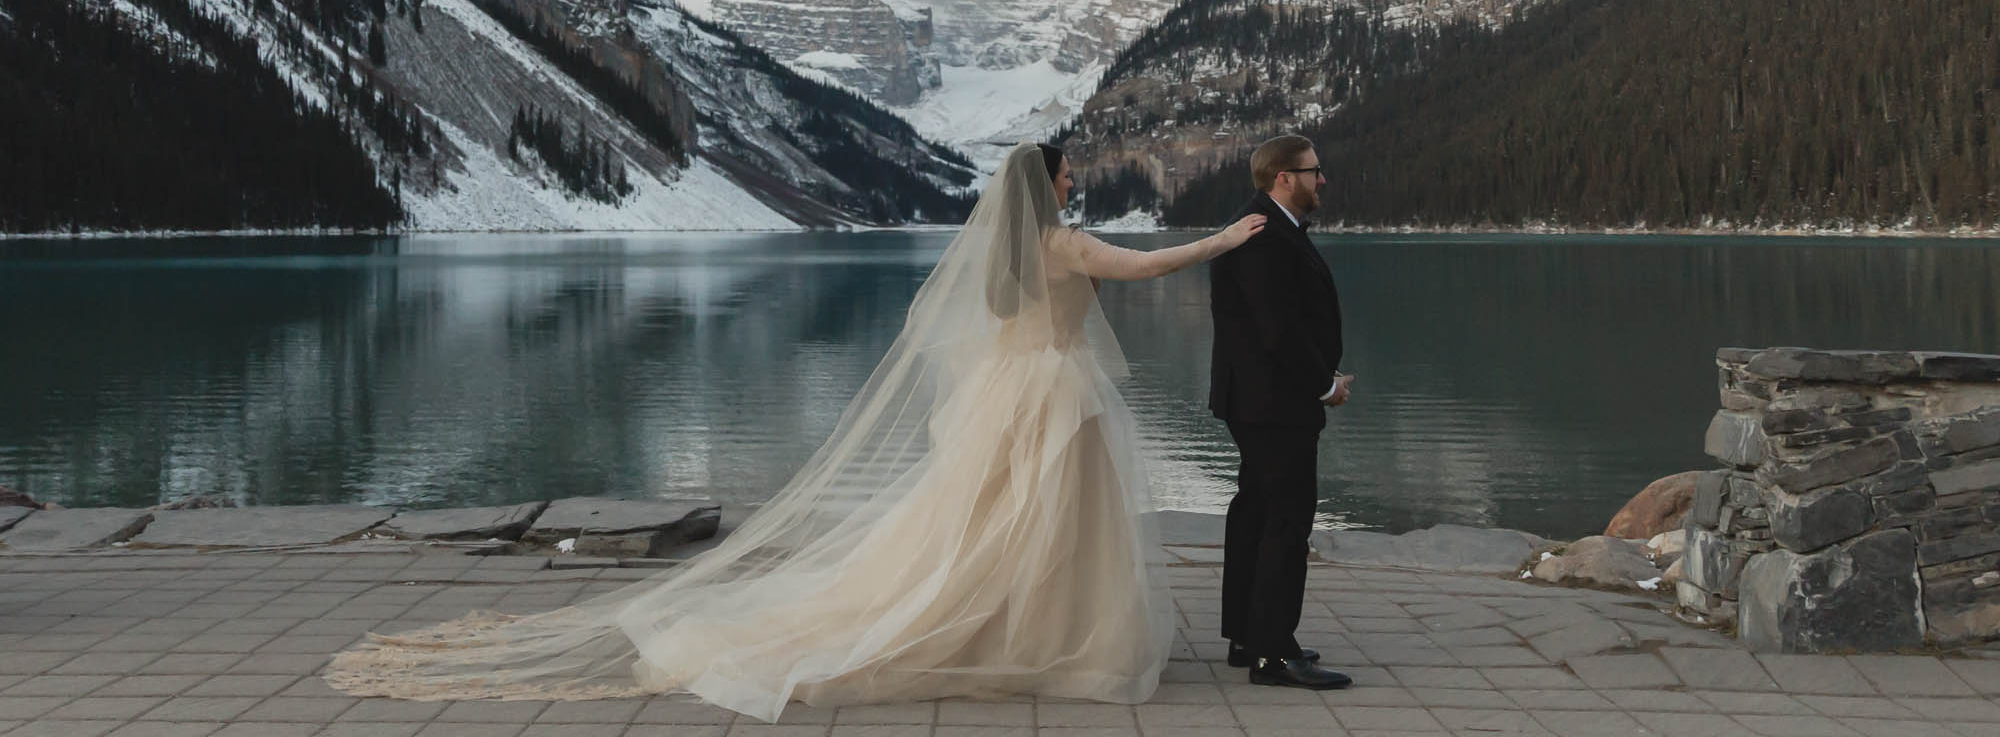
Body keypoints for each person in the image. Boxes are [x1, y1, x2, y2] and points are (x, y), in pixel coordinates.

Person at [325, 141, 1262, 721]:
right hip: (1052, 396)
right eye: (1064, 170)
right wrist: (1223, 239)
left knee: (988, 522)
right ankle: (1036, 630)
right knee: (1044, 523)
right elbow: (1141, 267)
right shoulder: (1061, 242)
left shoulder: (1006, 257)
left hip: (1006, 393)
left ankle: (1011, 621)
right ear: (1045, 185)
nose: (1071, 178)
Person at [1208, 133, 1353, 690]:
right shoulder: (1264, 232)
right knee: (1286, 519)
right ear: (1284, 178)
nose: (1323, 180)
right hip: (1272, 402)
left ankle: (1249, 635)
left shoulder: (1265, 224)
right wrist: (1324, 386)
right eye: (1315, 171)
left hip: (1260, 398)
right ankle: (1272, 651)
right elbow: (1278, 329)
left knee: (1257, 511)